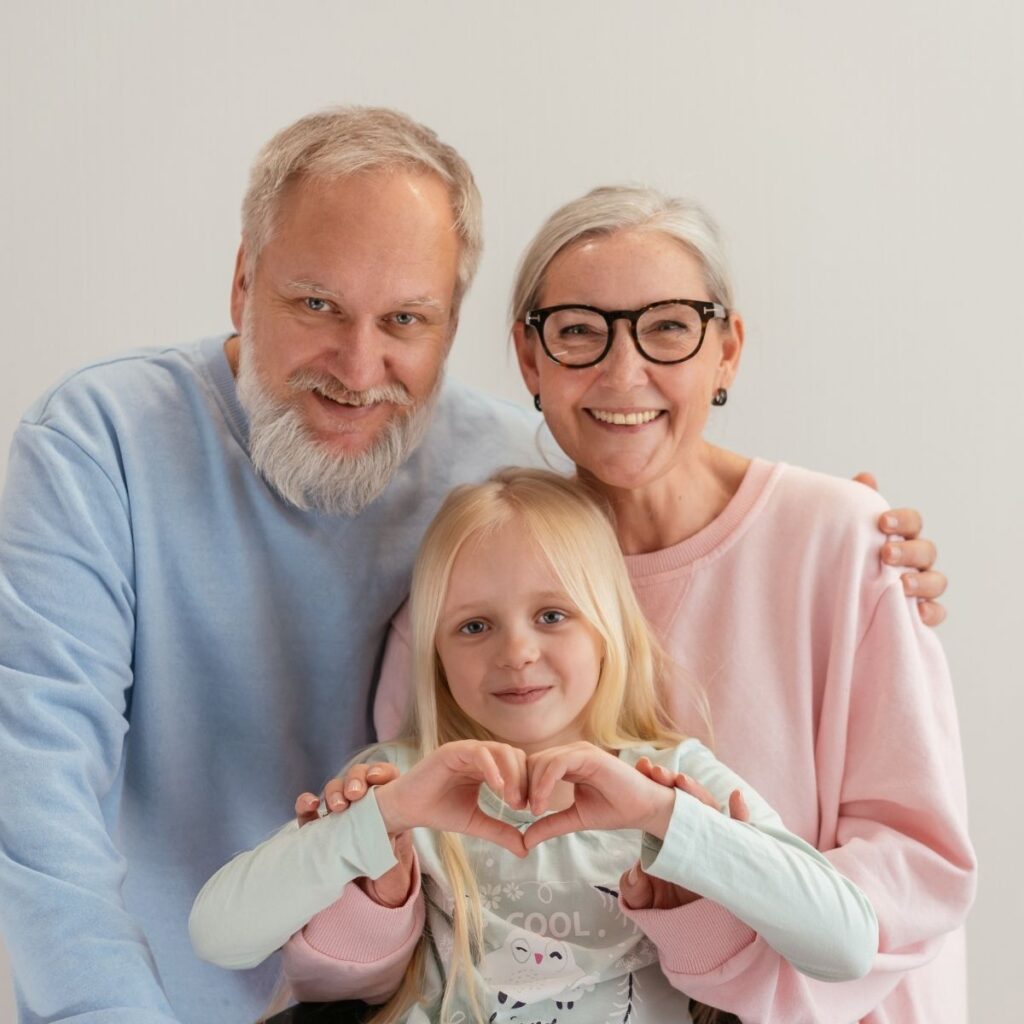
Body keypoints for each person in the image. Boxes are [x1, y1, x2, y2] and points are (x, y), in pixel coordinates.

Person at [0, 105, 945, 1024]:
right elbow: (37, 795)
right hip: (165, 989)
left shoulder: (509, 482)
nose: (358, 366)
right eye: (317, 303)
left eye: (406, 319)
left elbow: (667, 495)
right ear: (244, 280)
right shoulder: (102, 441)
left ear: (453, 328)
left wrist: (841, 530)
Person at [373, 185, 975, 1023]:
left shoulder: (844, 539)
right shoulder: (476, 575)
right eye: (578, 331)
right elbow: (419, 878)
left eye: (668, 327)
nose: (624, 373)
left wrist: (723, 971)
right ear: (530, 359)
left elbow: (918, 863)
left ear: (727, 351)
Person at [190, 468, 880, 1024]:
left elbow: (847, 944)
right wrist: (376, 824)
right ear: (435, 654)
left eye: (552, 615)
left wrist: (669, 820)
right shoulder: (399, 782)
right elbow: (220, 935)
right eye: (474, 626)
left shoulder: (670, 779)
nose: (517, 652)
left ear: (608, 629)